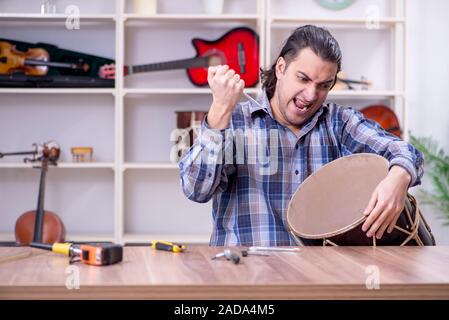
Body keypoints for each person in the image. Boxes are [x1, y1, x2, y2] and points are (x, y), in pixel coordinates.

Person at [178, 25, 424, 246]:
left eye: (323, 85)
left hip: (319, 281)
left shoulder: (339, 123)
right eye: (303, 79)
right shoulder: (235, 121)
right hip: (245, 278)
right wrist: (220, 109)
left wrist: (398, 179)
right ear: (281, 67)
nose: (310, 95)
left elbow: (406, 153)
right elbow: (195, 189)